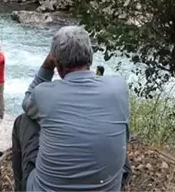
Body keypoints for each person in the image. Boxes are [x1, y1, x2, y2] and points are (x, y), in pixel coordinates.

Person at [12, 26, 131, 192]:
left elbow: (26, 103)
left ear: (58, 66)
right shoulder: (118, 87)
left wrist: (47, 66)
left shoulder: (44, 94)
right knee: (116, 123)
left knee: (23, 121)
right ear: (90, 57)